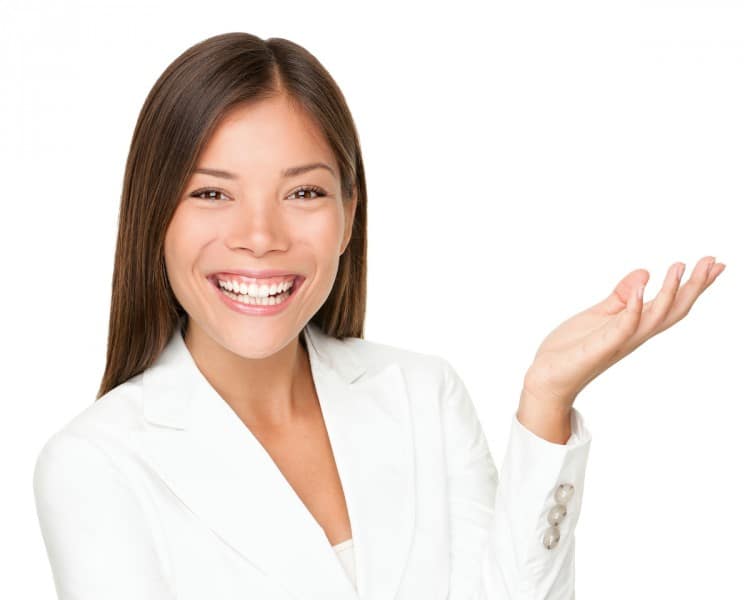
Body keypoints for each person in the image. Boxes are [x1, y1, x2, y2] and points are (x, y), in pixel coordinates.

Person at [32, 32, 725, 600]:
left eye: (303, 192)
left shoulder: (423, 394)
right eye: (212, 194)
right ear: (154, 213)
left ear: (348, 214)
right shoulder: (94, 465)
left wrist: (546, 397)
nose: (260, 236)